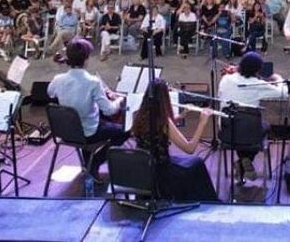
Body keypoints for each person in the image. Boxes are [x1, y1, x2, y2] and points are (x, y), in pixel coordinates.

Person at [47, 38, 128, 178]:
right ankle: (95, 162)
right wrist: (120, 99)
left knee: (91, 115)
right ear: (86, 59)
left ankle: (87, 163)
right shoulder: (93, 82)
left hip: (66, 131)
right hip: (88, 132)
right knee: (125, 131)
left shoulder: (58, 79)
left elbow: (50, 93)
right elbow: (109, 110)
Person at [131, 79, 218, 202]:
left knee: (190, 163)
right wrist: (202, 122)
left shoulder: (138, 115)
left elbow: (158, 128)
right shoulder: (164, 122)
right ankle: (208, 202)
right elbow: (190, 148)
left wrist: (182, 116)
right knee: (197, 164)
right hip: (161, 172)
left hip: (145, 167)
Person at [218, 52, 287, 181]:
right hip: (249, 133)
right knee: (260, 128)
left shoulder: (226, 79)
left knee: (241, 128)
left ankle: (243, 162)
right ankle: (244, 161)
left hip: (227, 130)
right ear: (258, 69)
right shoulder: (257, 84)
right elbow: (283, 93)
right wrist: (279, 79)